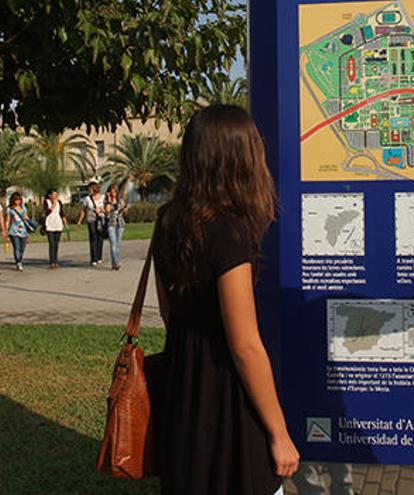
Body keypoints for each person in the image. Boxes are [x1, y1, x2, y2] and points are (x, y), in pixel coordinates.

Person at [153, 105, 299, 494]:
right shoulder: (229, 233)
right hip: (228, 402)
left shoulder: (168, 221)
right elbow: (245, 346)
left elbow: (170, 314)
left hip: (184, 394)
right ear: (238, 158)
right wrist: (279, 432)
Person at [77, 182, 105, 267]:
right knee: (93, 237)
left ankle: (99, 256)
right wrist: (80, 220)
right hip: (91, 220)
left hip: (101, 219)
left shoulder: (103, 197)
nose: (89, 191)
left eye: (90, 189)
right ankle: (93, 258)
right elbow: (83, 210)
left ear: (95, 189)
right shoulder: (87, 199)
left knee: (100, 238)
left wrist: (100, 210)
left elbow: (107, 208)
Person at [104, 184, 128, 270]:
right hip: (111, 224)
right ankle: (117, 262)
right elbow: (107, 210)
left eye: (114, 191)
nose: (113, 193)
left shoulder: (121, 200)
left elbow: (125, 212)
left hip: (120, 224)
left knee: (117, 244)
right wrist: (109, 199)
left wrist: (125, 210)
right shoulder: (107, 201)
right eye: (111, 191)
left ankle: (114, 263)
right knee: (113, 244)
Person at [4, 192, 30, 271]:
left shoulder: (23, 208)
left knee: (22, 247)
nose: (17, 202)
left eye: (19, 200)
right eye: (16, 200)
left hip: (23, 230)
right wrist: (6, 230)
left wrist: (27, 221)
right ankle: (18, 262)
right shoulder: (10, 209)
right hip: (14, 230)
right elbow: (7, 220)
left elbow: (26, 218)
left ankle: (20, 259)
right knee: (17, 247)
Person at [43, 189, 68, 269]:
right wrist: (53, 204)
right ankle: (52, 261)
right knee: (52, 243)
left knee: (56, 244)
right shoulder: (46, 202)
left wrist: (65, 222)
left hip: (58, 223)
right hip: (49, 223)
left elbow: (61, 213)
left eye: (56, 194)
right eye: (53, 194)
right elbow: (47, 211)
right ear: (50, 195)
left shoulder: (59, 202)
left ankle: (56, 260)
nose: (55, 196)